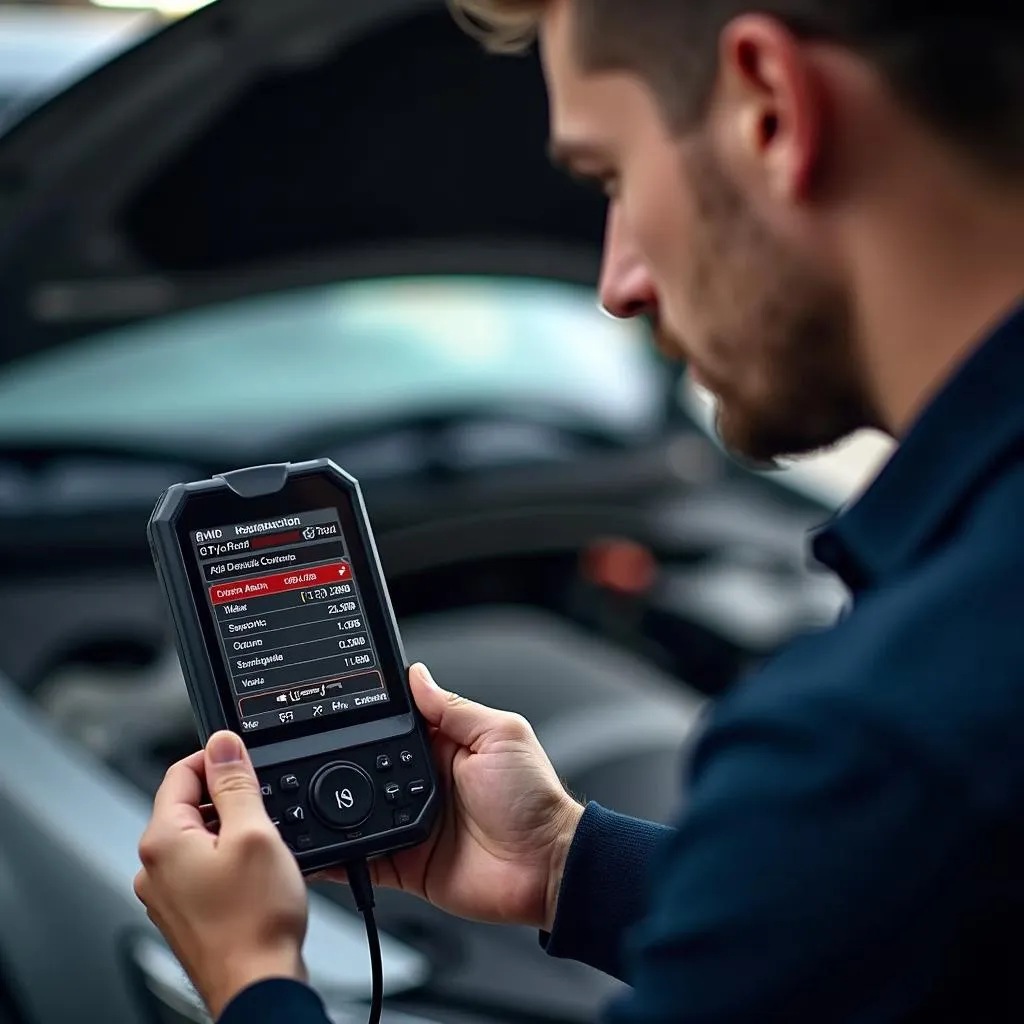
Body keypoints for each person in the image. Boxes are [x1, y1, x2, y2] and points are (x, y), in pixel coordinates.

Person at [133, 0, 1024, 1020]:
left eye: (612, 177)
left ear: (770, 109)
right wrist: (566, 862)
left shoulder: (881, 741)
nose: (616, 283)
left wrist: (253, 978)